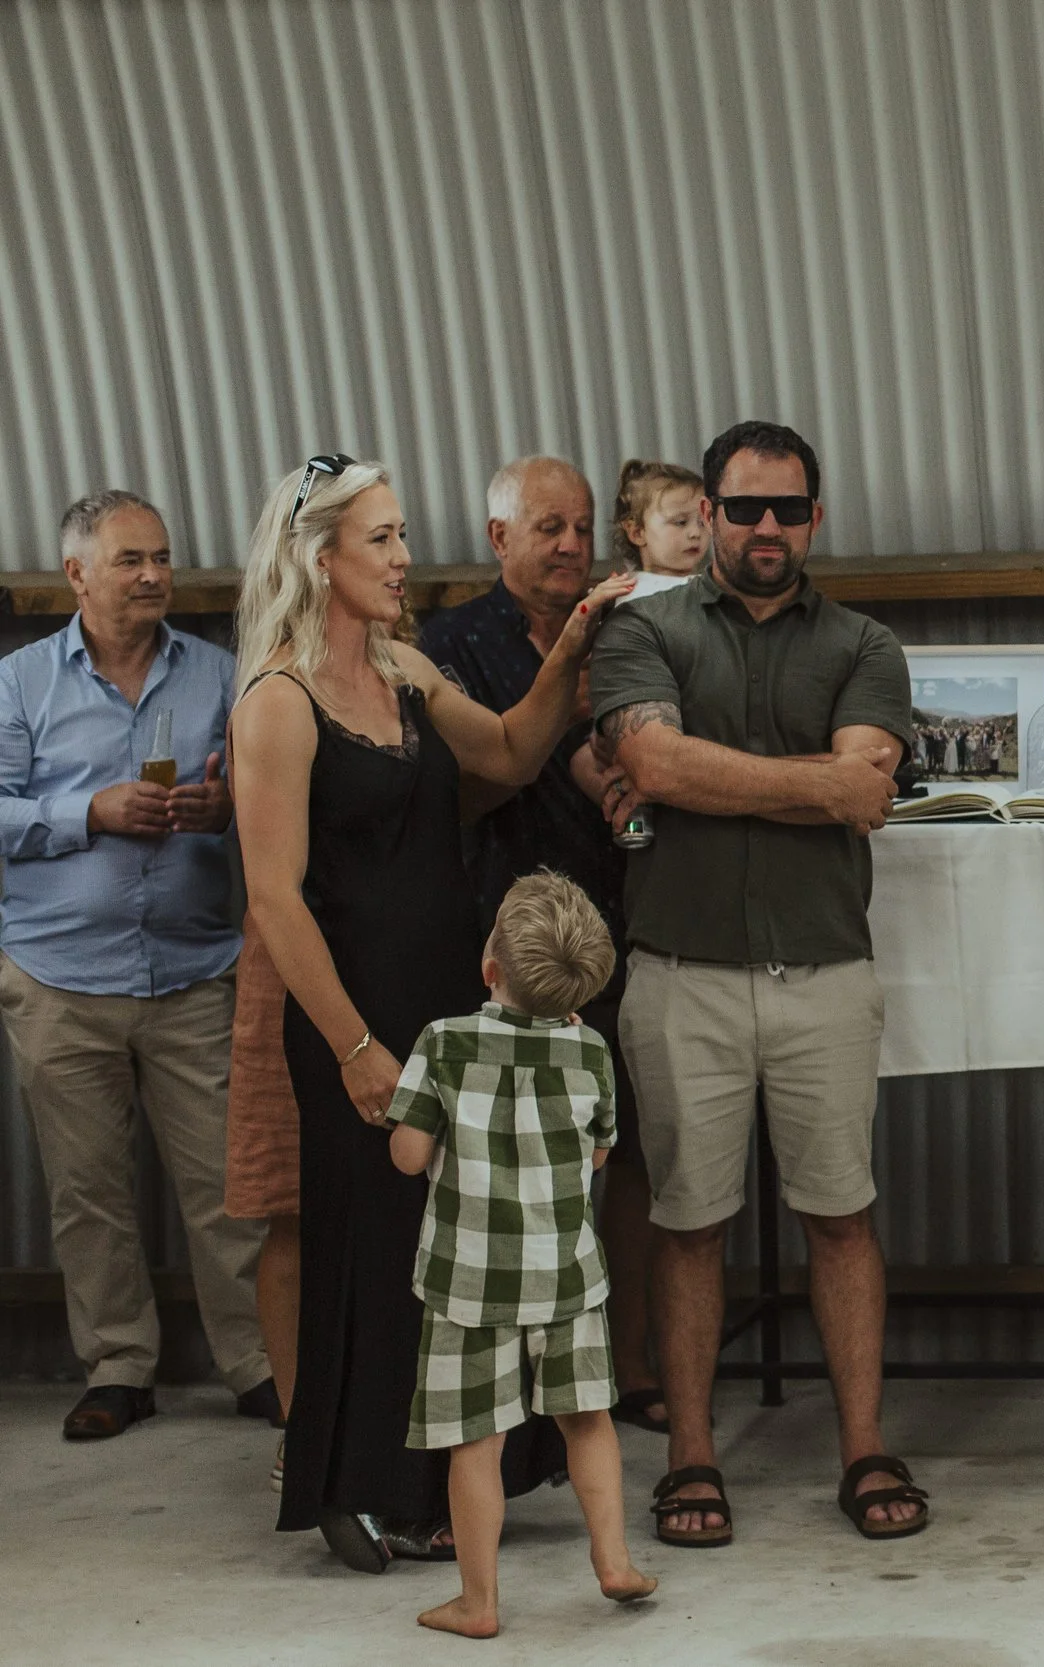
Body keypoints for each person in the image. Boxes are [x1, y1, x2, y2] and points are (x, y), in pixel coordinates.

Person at [229, 454, 633, 1570]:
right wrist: (355, 1046)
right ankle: (351, 1482)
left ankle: (439, 1481)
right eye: (382, 539)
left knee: (450, 1241)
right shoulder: (278, 700)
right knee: (367, 1241)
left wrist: (570, 647)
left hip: (445, 994)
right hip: (353, 1007)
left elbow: (509, 749)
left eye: (402, 534)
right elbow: (275, 898)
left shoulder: (403, 669)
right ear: (320, 558)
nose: (405, 557)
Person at [589, 419, 925, 1548]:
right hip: (680, 973)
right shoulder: (643, 629)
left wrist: (703, 778)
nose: (765, 526)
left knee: (842, 1215)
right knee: (687, 1222)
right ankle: (691, 1454)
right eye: (743, 508)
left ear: (814, 518)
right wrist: (811, 783)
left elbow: (867, 782)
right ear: (710, 514)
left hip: (824, 972)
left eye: (786, 508)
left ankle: (864, 1446)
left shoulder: (867, 644)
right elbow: (651, 758)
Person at [0, 490, 275, 1441]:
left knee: (230, 1188)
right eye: (130, 560)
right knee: (88, 1192)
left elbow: (268, 790)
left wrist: (224, 809)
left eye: (161, 556)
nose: (154, 574)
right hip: (57, 978)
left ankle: (258, 1362)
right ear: (76, 573)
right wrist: (90, 812)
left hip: (193, 971)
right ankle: (119, 1366)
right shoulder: (20, 682)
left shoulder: (223, 675)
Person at [420, 456, 669, 1437]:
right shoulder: (452, 645)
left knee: (630, 1154)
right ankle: (511, 1389)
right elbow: (454, 796)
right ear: (499, 538)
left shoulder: (632, 627)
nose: (571, 546)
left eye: (581, 527)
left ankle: (629, 1362)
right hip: (504, 950)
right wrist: (553, 714)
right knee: (509, 1172)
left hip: (631, 929)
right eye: (547, 528)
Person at [385, 872, 659, 1637]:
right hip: (566, 1275)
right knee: (588, 1420)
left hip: (468, 1282)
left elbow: (409, 1156)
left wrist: (407, 1121)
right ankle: (614, 1560)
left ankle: (478, 1601)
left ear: (489, 965)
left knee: (477, 1441)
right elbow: (599, 1155)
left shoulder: (443, 1043)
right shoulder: (591, 1052)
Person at [225, 917, 300, 1492]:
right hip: (287, 961)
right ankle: (300, 1425)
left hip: (414, 947)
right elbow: (272, 895)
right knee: (291, 1208)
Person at [612, 459, 706, 577]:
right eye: (681, 522)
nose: (696, 533)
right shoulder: (628, 587)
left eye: (703, 523)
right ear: (638, 533)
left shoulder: (714, 584)